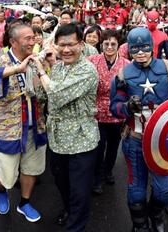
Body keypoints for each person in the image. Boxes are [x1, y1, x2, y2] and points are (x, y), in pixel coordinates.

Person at [110, 27, 168, 232]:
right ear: (129, 49)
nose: (141, 52)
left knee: (165, 192)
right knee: (136, 190)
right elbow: (114, 107)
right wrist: (126, 107)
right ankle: (140, 224)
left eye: (145, 47)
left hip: (165, 141)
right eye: (135, 48)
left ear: (152, 46)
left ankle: (156, 214)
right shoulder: (122, 75)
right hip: (135, 138)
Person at [32, 23, 99, 232]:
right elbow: (44, 96)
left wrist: (41, 70)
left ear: (81, 44)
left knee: (79, 192)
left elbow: (57, 95)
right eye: (62, 45)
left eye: (71, 45)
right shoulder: (59, 66)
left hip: (82, 140)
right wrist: (38, 74)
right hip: (58, 138)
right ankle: (69, 211)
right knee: (62, 184)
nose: (66, 50)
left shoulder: (87, 70)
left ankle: (75, 225)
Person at [0, 23, 47, 223]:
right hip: (9, 128)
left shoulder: (36, 60)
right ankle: (1, 191)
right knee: (6, 172)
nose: (32, 41)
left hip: (36, 124)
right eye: (27, 38)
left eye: (33, 37)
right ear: (13, 42)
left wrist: (48, 63)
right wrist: (15, 69)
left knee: (31, 168)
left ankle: (24, 202)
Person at [87, 29, 130, 195]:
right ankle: (97, 178)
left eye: (113, 44)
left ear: (118, 45)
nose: (110, 47)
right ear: (101, 44)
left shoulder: (127, 65)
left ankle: (108, 171)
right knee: (98, 148)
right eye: (106, 44)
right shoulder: (92, 61)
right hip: (97, 114)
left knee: (113, 147)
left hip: (118, 114)